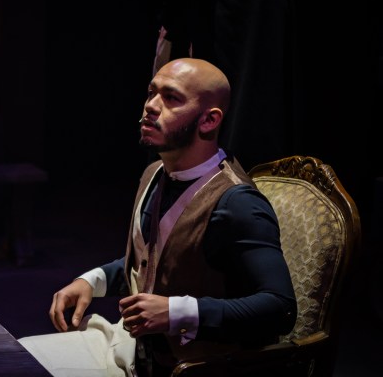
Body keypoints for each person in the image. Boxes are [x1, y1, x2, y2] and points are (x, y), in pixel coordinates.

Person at [18, 58, 297, 377]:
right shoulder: (156, 173)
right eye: (151, 93)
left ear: (209, 120)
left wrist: (176, 313)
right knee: (12, 358)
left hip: (191, 364)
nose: (151, 106)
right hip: (129, 347)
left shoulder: (237, 203)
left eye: (171, 98)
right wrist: (92, 281)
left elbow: (280, 308)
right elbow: (158, 263)